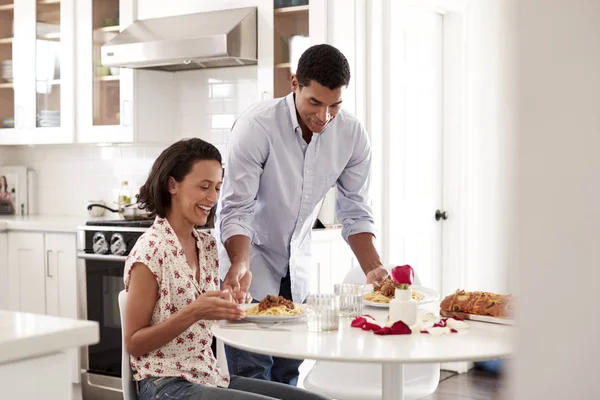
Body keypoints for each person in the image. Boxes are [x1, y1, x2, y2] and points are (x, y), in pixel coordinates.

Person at [215, 44, 388, 385]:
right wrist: (239, 264)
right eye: (315, 103)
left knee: (287, 375)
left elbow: (354, 209)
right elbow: (237, 209)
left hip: (297, 273)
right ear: (295, 84)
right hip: (250, 268)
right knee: (254, 378)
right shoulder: (256, 127)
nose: (324, 116)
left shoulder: (352, 135)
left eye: (334, 105)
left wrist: (373, 267)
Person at [123, 138, 330, 400]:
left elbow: (208, 321)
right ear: (172, 185)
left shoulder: (207, 245)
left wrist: (234, 306)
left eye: (218, 188)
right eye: (204, 187)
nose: (213, 198)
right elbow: (134, 343)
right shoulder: (151, 250)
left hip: (208, 376)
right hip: (164, 384)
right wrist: (194, 312)